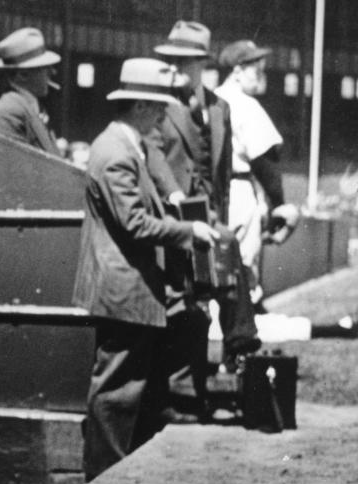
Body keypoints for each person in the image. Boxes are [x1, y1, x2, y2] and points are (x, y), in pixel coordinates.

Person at [72, 58, 219, 481]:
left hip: (128, 288)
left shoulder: (126, 145)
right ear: (138, 107)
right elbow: (134, 223)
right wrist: (188, 229)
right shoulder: (116, 152)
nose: (163, 117)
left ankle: (111, 474)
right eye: (158, 108)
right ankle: (102, 480)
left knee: (127, 387)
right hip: (122, 289)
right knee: (116, 391)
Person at [150, 20, 260, 417]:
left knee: (225, 287)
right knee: (185, 306)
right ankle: (183, 398)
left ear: (201, 65)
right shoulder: (157, 107)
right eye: (171, 62)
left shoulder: (220, 108)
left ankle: (236, 363)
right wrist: (175, 195)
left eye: (184, 63)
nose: (176, 70)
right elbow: (155, 154)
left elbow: (223, 174)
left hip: (211, 219)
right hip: (176, 221)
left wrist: (221, 217)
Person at [215, 39, 300, 310]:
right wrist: (280, 206)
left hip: (211, 194)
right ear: (237, 70)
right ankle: (242, 339)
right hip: (239, 190)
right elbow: (266, 162)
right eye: (255, 69)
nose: (261, 75)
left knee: (216, 269)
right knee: (244, 268)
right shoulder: (246, 104)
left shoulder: (211, 98)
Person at [0, 27, 64, 156]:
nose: (52, 72)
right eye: (45, 68)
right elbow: (14, 170)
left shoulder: (28, 107)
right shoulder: (9, 113)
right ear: (23, 74)